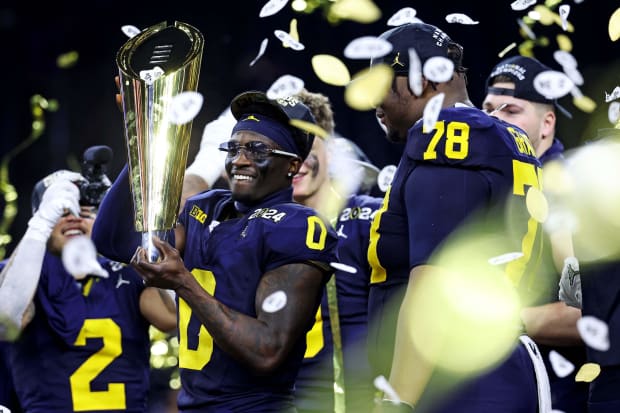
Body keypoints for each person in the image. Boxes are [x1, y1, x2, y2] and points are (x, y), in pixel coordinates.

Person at [91, 91, 339, 412]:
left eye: (257, 149)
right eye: (233, 148)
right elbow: (112, 240)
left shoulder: (298, 225)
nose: (239, 160)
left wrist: (184, 284)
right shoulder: (204, 209)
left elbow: (267, 351)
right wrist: (139, 142)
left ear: (292, 165)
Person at [366, 22, 548, 412]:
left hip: (457, 378)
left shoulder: (447, 134)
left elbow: (435, 285)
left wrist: (396, 401)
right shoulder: (502, 135)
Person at [0, 160, 176, 412]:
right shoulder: (19, 276)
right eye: (60, 212)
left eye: (84, 210)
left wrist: (133, 235)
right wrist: (40, 225)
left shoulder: (125, 269)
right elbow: (6, 321)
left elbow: (172, 318)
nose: (72, 219)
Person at [483, 55, 588, 413]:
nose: (494, 120)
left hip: (565, 396)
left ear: (546, 124)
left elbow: (591, 311)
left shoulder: (566, 189)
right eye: (488, 109)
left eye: (511, 110)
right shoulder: (498, 186)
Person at [291, 89, 381, 413]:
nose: (294, 160)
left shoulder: (372, 218)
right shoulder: (261, 224)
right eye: (283, 147)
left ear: (330, 149)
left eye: (305, 145)